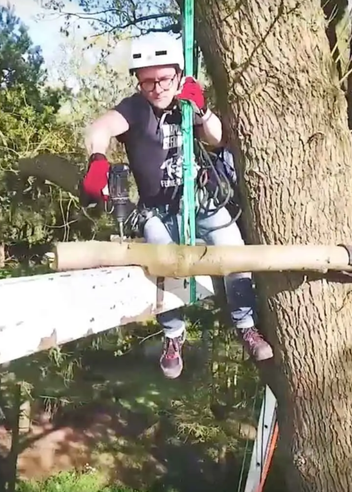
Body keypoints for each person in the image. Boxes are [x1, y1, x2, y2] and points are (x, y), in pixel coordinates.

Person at [81, 32, 274, 379]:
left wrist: (202, 111)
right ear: (139, 83)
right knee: (163, 259)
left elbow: (217, 139)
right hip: (158, 209)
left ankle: (246, 326)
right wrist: (97, 158)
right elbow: (100, 127)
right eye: (148, 82)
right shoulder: (135, 110)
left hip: (201, 201)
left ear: (177, 74)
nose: (157, 88)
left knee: (235, 252)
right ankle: (173, 335)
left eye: (164, 79)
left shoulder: (188, 100)